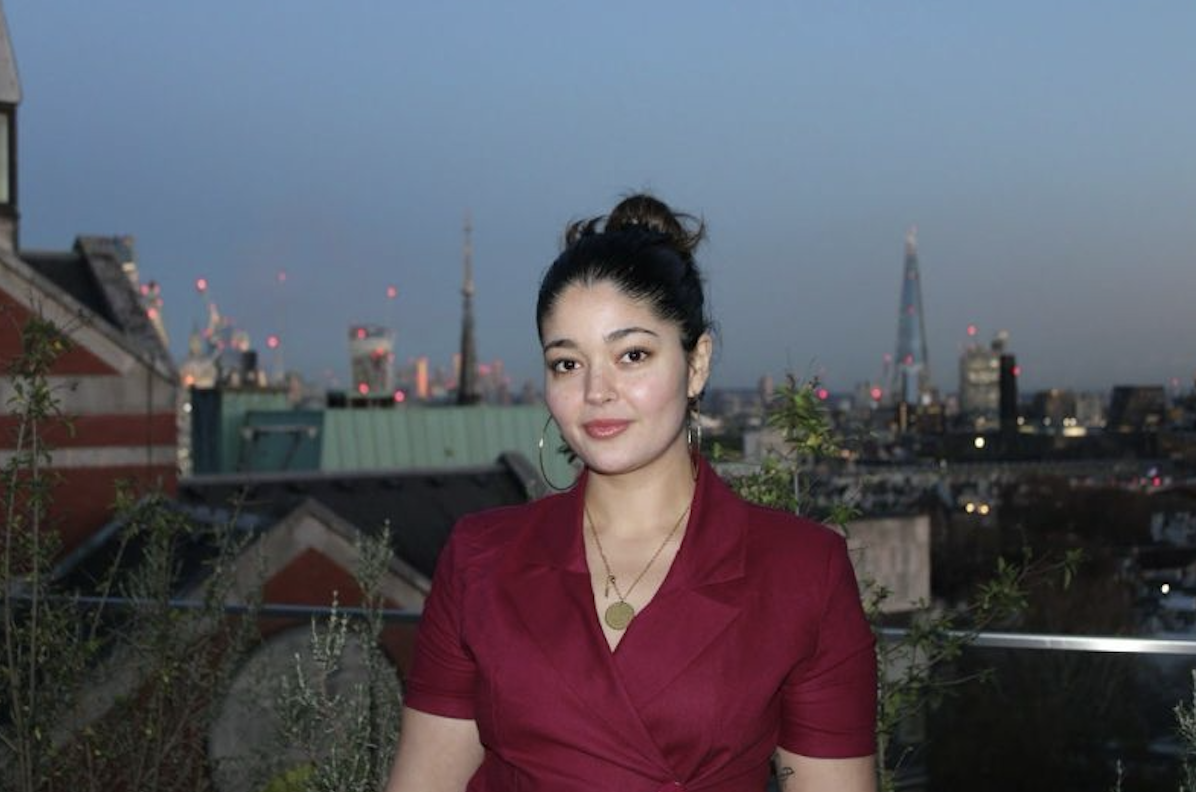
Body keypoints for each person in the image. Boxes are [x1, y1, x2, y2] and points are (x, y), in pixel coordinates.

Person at [385, 194, 877, 792]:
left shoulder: (800, 572)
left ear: (697, 364)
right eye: (567, 364)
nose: (597, 390)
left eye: (632, 355)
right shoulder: (480, 559)